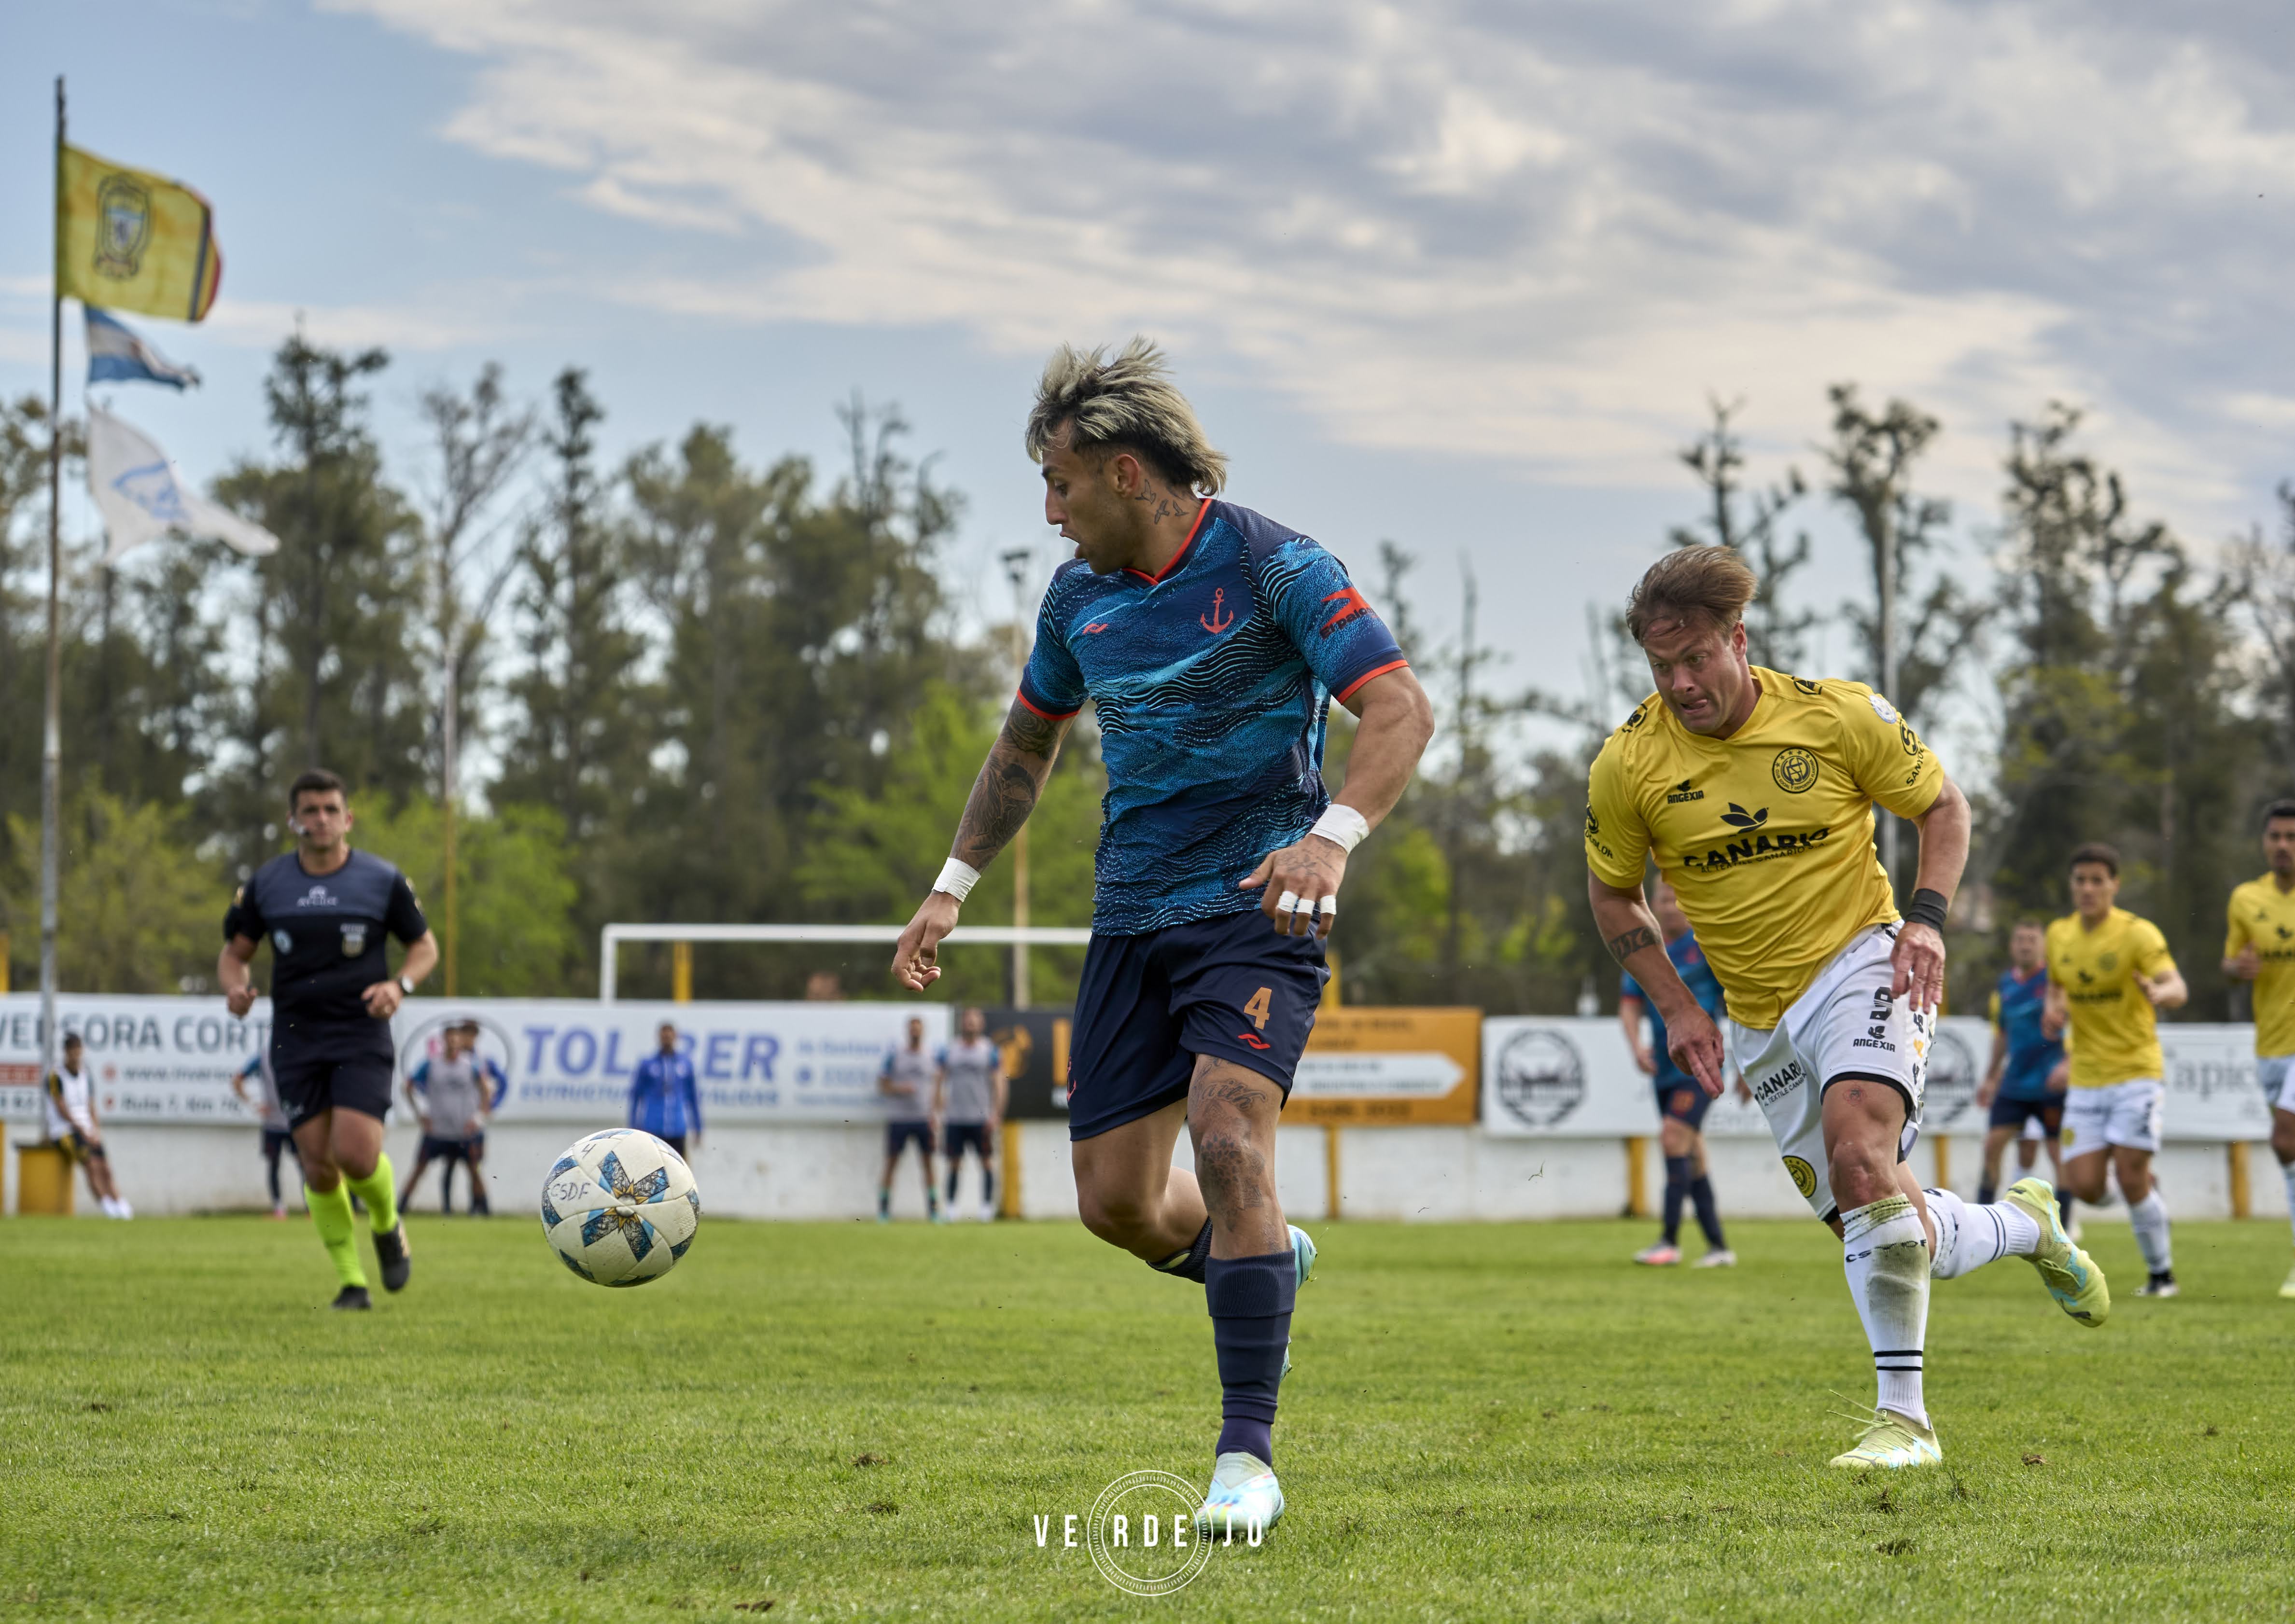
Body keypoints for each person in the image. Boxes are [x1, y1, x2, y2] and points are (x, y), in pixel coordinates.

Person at [892, 339, 1433, 1535]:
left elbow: (1400, 706)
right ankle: (1264, 1260)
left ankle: (1246, 1458)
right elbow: (1023, 748)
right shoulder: (1076, 600)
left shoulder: (1275, 563)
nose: (1049, 512)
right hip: (1130, 916)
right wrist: (950, 885)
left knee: (1230, 1133)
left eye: (1061, 485)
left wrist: (1331, 834)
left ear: (1128, 473)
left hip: (1258, 904)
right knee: (1117, 1205)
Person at [1584, 546, 2107, 1472]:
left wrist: (1928, 922)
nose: (1680, 683)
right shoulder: (1628, 763)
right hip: (1754, 1015)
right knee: (1888, 1223)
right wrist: (1675, 1007)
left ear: (1736, 641)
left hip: (1862, 961)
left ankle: (1903, 1423)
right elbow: (1612, 895)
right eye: (1661, 667)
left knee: (1858, 1155)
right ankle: (2025, 1224)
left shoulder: (1836, 715)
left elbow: (1941, 805)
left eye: (1696, 658)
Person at [218, 769, 435, 1309]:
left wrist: (400, 984)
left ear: (348, 818)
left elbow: (423, 946)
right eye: (310, 810)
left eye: (330, 809)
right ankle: (352, 1281)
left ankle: (387, 1222)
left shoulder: (382, 879)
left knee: (356, 1156)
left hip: (360, 1031)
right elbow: (234, 954)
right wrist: (235, 988)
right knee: (316, 1165)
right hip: (295, 1036)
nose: (320, 819)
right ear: (293, 819)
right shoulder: (267, 883)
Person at [2045, 843, 2187, 1298]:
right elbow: (2056, 989)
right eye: (2080, 880)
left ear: (2114, 886)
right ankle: (2144, 1188)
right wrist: (2053, 1010)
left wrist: (2159, 994)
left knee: (2129, 1176)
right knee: (2084, 1186)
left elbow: (2177, 985)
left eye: (2097, 881)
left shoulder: (2137, 934)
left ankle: (2161, 1275)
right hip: (2087, 1076)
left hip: (2136, 1071)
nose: (2088, 889)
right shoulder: (2059, 935)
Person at [1619, 881, 1734, 1266]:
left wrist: (1751, 1064)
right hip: (1664, 1068)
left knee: (1672, 1138)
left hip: (1701, 1066)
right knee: (1692, 1153)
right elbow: (1630, 1005)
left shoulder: (1707, 947)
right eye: (1661, 900)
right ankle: (1719, 1247)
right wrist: (1636, 1047)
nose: (1668, 907)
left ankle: (1668, 1240)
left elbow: (1738, 1001)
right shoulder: (1647, 951)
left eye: (1674, 899)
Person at [2223, 799, 2295, 1299]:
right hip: (2270, 1041)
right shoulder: (2246, 898)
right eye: (2275, 836)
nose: (2282, 846)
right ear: (2263, 842)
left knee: (2285, 1138)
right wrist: (2238, 968)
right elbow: (2230, 961)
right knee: (2290, 1151)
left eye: (2291, 836)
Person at [1975, 919, 2069, 1212]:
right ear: (2011, 945)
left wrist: (2069, 1063)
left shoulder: (2055, 981)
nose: (2026, 945)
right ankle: (1983, 1221)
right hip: (2014, 1083)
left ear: (2042, 945)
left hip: (2050, 1083)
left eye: (2032, 939)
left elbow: (2075, 1024)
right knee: (1992, 1147)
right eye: (2020, 939)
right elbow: (2002, 1034)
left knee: (2059, 1155)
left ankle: (2065, 1227)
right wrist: (1991, 1077)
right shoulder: (2005, 984)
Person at [401, 1022, 501, 1215]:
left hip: (464, 1131)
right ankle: (400, 1207)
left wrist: (479, 1118)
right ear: (444, 1040)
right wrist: (420, 1114)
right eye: (450, 1038)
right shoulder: (431, 1064)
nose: (454, 1043)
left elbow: (486, 1091)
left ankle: (485, 1210)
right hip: (437, 1131)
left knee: (474, 1170)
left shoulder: (472, 1064)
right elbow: (408, 1087)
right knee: (419, 1169)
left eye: (457, 1039)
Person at [44, 1034, 130, 1218]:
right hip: (65, 1130)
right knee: (91, 1164)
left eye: (79, 1050)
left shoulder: (85, 1073)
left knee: (105, 1167)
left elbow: (91, 1105)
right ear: (66, 1052)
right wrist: (82, 1129)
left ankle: (120, 1204)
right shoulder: (56, 1075)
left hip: (87, 1129)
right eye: (72, 1051)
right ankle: (107, 1207)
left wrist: (95, 1130)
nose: (76, 1055)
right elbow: (61, 1108)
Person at [938, 1008, 1008, 1221]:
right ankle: (950, 1209)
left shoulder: (990, 1051)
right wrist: (938, 1112)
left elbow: (1000, 1084)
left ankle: (986, 1209)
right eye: (968, 1020)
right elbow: (938, 1082)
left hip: (982, 1119)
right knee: (954, 1164)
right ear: (962, 1024)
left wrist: (996, 1114)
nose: (971, 1024)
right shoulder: (949, 1050)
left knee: (987, 1163)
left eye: (975, 1021)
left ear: (981, 1024)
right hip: (955, 1118)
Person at [878, 1016, 940, 1222]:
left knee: (928, 1164)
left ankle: (933, 1212)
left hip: (923, 1118)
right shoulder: (895, 1056)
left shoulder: (931, 1056)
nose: (915, 1032)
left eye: (918, 1029)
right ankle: (884, 1211)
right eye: (912, 1029)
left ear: (923, 1032)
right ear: (908, 1031)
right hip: (899, 1118)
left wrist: (936, 1113)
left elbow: (937, 1087)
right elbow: (883, 1085)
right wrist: (899, 1088)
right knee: (891, 1164)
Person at [231, 1048, 297, 1219]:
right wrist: (254, 1104)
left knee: (307, 1165)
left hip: (296, 1123)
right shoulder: (263, 1058)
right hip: (273, 1125)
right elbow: (238, 1080)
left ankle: (311, 1209)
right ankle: (279, 1209)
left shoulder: (299, 1053)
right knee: (274, 1165)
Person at [628, 1022, 702, 1159]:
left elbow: (693, 1098)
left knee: (679, 1171)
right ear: (659, 1037)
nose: (667, 1039)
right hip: (653, 1129)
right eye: (664, 1036)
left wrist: (698, 1128)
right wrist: (633, 1128)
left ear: (675, 1037)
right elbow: (636, 1096)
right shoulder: (648, 1064)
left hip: (677, 1129)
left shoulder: (685, 1064)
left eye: (670, 1036)